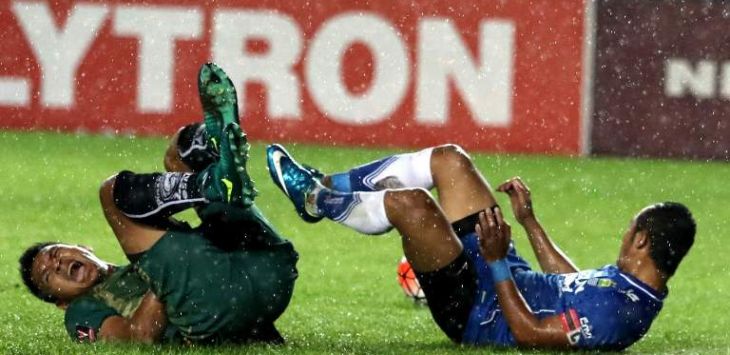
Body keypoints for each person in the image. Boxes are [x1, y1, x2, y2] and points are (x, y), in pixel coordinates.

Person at [265, 143, 695, 350]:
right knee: (450, 160)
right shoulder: (630, 286)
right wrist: (528, 222)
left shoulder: (619, 315)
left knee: (413, 205)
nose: (624, 233)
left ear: (641, 240)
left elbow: (528, 335)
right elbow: (571, 281)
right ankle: (324, 184)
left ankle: (315, 200)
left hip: (474, 307)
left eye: (629, 228)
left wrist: (495, 262)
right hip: (504, 269)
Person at [18, 63, 298, 344]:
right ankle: (211, 180)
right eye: (47, 276)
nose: (57, 266)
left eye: (56, 254)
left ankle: (213, 145)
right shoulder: (80, 313)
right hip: (215, 310)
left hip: (268, 266)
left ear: (82, 248)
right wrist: (161, 279)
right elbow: (137, 337)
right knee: (111, 192)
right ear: (61, 302)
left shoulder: (142, 263)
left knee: (178, 154)